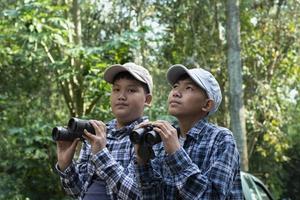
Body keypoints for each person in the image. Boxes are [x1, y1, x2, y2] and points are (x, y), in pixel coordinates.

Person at [134, 64, 243, 199]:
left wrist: (175, 153)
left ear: (207, 104)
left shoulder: (221, 139)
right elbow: (152, 196)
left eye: (188, 88)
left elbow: (213, 196)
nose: (176, 93)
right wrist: (143, 162)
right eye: (175, 87)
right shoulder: (162, 140)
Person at [55, 62, 153, 199]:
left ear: (147, 100)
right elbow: (77, 192)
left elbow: (139, 196)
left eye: (131, 90)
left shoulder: (150, 137)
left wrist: (101, 154)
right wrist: (65, 165)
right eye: (116, 89)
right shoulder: (97, 133)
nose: (121, 96)